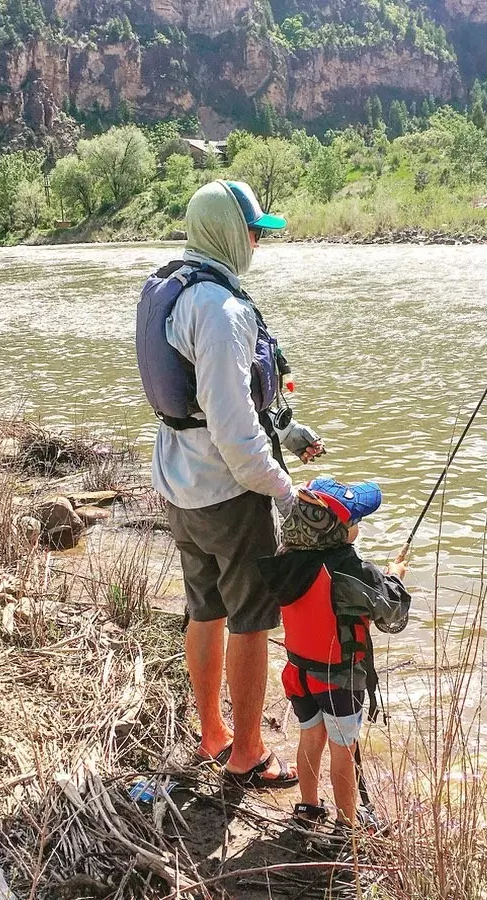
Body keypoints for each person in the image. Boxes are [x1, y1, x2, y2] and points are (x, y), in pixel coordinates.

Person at [136, 179, 325, 787]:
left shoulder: (168, 289)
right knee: (251, 618)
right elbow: (236, 432)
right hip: (229, 493)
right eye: (252, 232)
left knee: (205, 608)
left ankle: (211, 733)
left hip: (178, 485)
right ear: (225, 230)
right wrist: (284, 491)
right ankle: (246, 752)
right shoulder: (222, 311)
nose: (257, 244)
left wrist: (291, 435)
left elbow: (207, 400)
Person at [257, 477, 411, 830]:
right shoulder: (349, 571)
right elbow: (391, 611)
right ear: (338, 532)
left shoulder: (285, 559)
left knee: (311, 737)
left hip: (298, 674)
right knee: (343, 747)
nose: (357, 528)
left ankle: (308, 807)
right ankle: (347, 823)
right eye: (354, 522)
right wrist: (396, 576)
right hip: (339, 681)